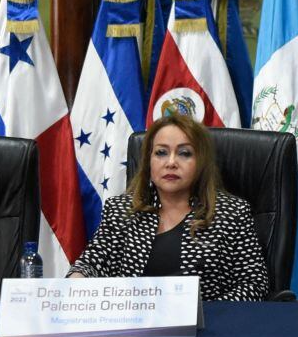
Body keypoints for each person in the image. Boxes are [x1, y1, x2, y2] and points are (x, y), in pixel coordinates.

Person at [68, 113, 269, 301]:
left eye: (185, 153)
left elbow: (254, 284)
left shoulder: (232, 213)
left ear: (201, 162)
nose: (171, 162)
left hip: (204, 332)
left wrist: (203, 313)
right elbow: (91, 263)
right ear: (148, 161)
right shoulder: (121, 210)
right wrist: (76, 281)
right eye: (161, 153)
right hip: (132, 329)